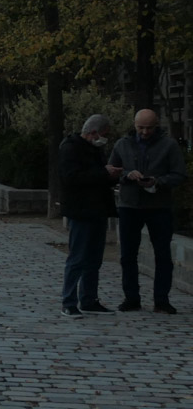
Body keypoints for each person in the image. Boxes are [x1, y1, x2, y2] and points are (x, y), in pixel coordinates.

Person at [108, 108, 187, 314]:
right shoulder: (122, 144)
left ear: (156, 125)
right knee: (128, 255)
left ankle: (161, 300)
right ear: (134, 125)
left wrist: (157, 181)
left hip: (159, 206)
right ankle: (131, 298)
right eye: (141, 128)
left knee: (162, 255)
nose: (144, 132)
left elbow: (179, 174)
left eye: (149, 128)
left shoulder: (169, 145)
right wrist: (127, 175)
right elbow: (110, 171)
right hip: (129, 205)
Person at [60, 114, 123, 317]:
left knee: (94, 259)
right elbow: (72, 178)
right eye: (104, 134)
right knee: (77, 257)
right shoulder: (70, 148)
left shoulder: (96, 150)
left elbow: (99, 177)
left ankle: (89, 299)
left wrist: (112, 176)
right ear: (93, 132)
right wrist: (104, 173)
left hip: (98, 209)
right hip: (80, 210)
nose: (104, 139)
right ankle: (69, 301)